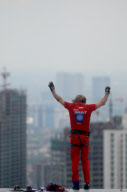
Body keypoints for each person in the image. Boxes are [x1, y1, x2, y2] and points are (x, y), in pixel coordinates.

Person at [48, 82, 110, 190]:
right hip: (85, 139)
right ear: (84, 102)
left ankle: (76, 184)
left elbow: (59, 99)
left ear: (76, 101)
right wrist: (107, 92)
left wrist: (53, 90)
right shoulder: (89, 108)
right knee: (85, 161)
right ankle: (87, 183)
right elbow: (103, 102)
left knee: (75, 162)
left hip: (74, 139)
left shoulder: (71, 107)